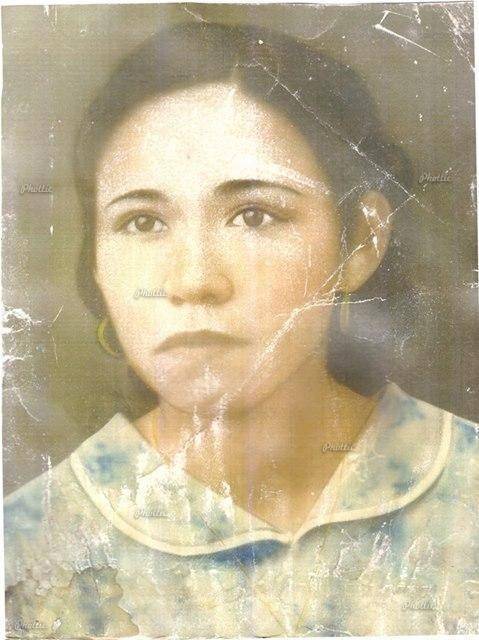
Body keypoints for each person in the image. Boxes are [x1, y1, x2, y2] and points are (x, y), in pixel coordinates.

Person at [5, 21, 478, 638]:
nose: (194, 280)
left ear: (361, 241)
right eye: (142, 223)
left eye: (254, 215)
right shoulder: (26, 552)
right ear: (96, 260)